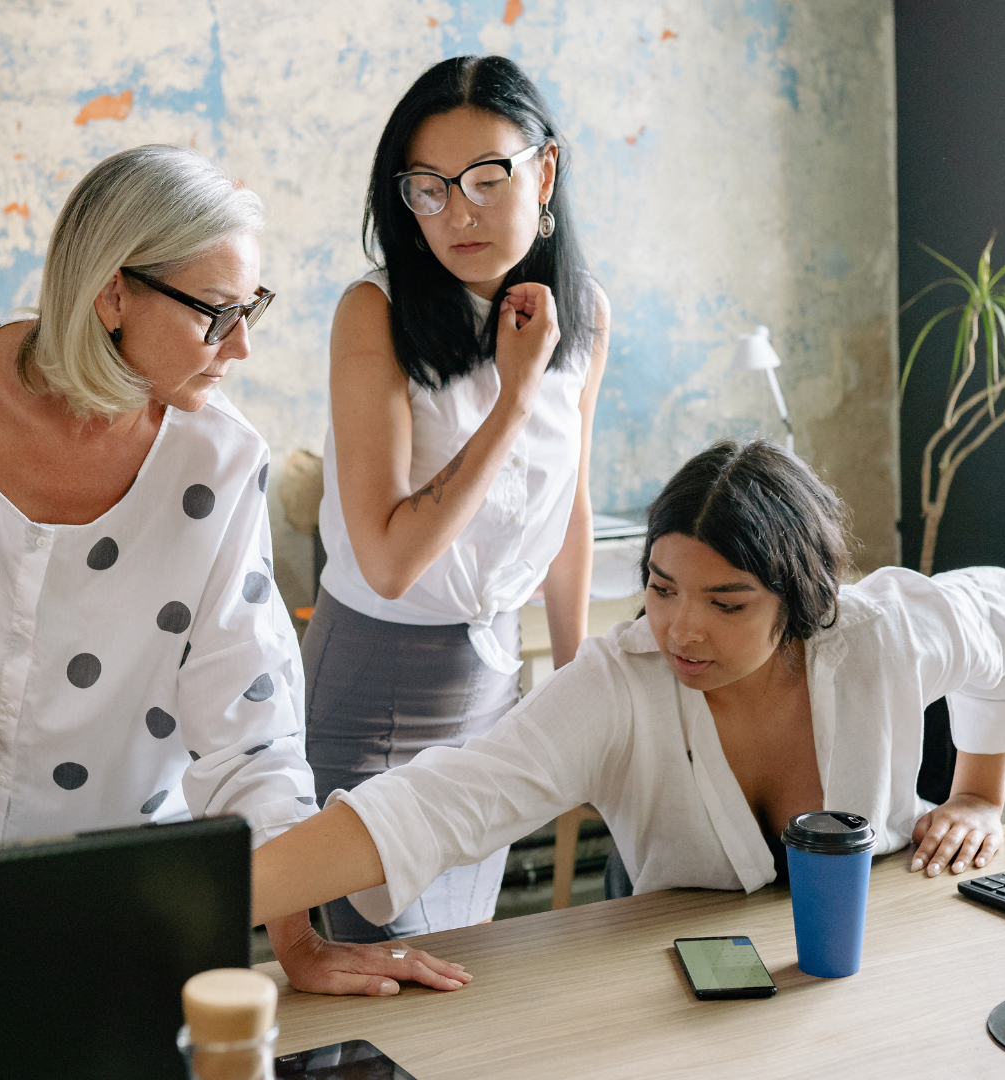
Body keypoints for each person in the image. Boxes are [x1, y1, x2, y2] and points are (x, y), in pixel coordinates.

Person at [0, 144, 461, 995]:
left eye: (251, 307)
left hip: (118, 903)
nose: (242, 346)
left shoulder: (217, 466)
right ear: (113, 294)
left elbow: (247, 729)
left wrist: (298, 943)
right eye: (217, 313)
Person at [253, 439, 1005, 930]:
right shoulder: (618, 686)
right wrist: (213, 906)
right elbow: (442, 802)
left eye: (727, 601)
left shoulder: (881, 631)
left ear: (801, 597)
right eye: (663, 589)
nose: (682, 629)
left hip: (891, 942)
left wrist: (979, 792)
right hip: (689, 975)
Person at [306, 55, 610, 942]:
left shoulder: (582, 311)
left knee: (461, 967)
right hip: (376, 683)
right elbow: (391, 562)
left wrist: (578, 680)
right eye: (429, 189)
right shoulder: (376, 312)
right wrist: (513, 398)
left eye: (486, 177)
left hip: (496, 686)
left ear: (544, 169)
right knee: (376, 976)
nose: (459, 212)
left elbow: (572, 506)